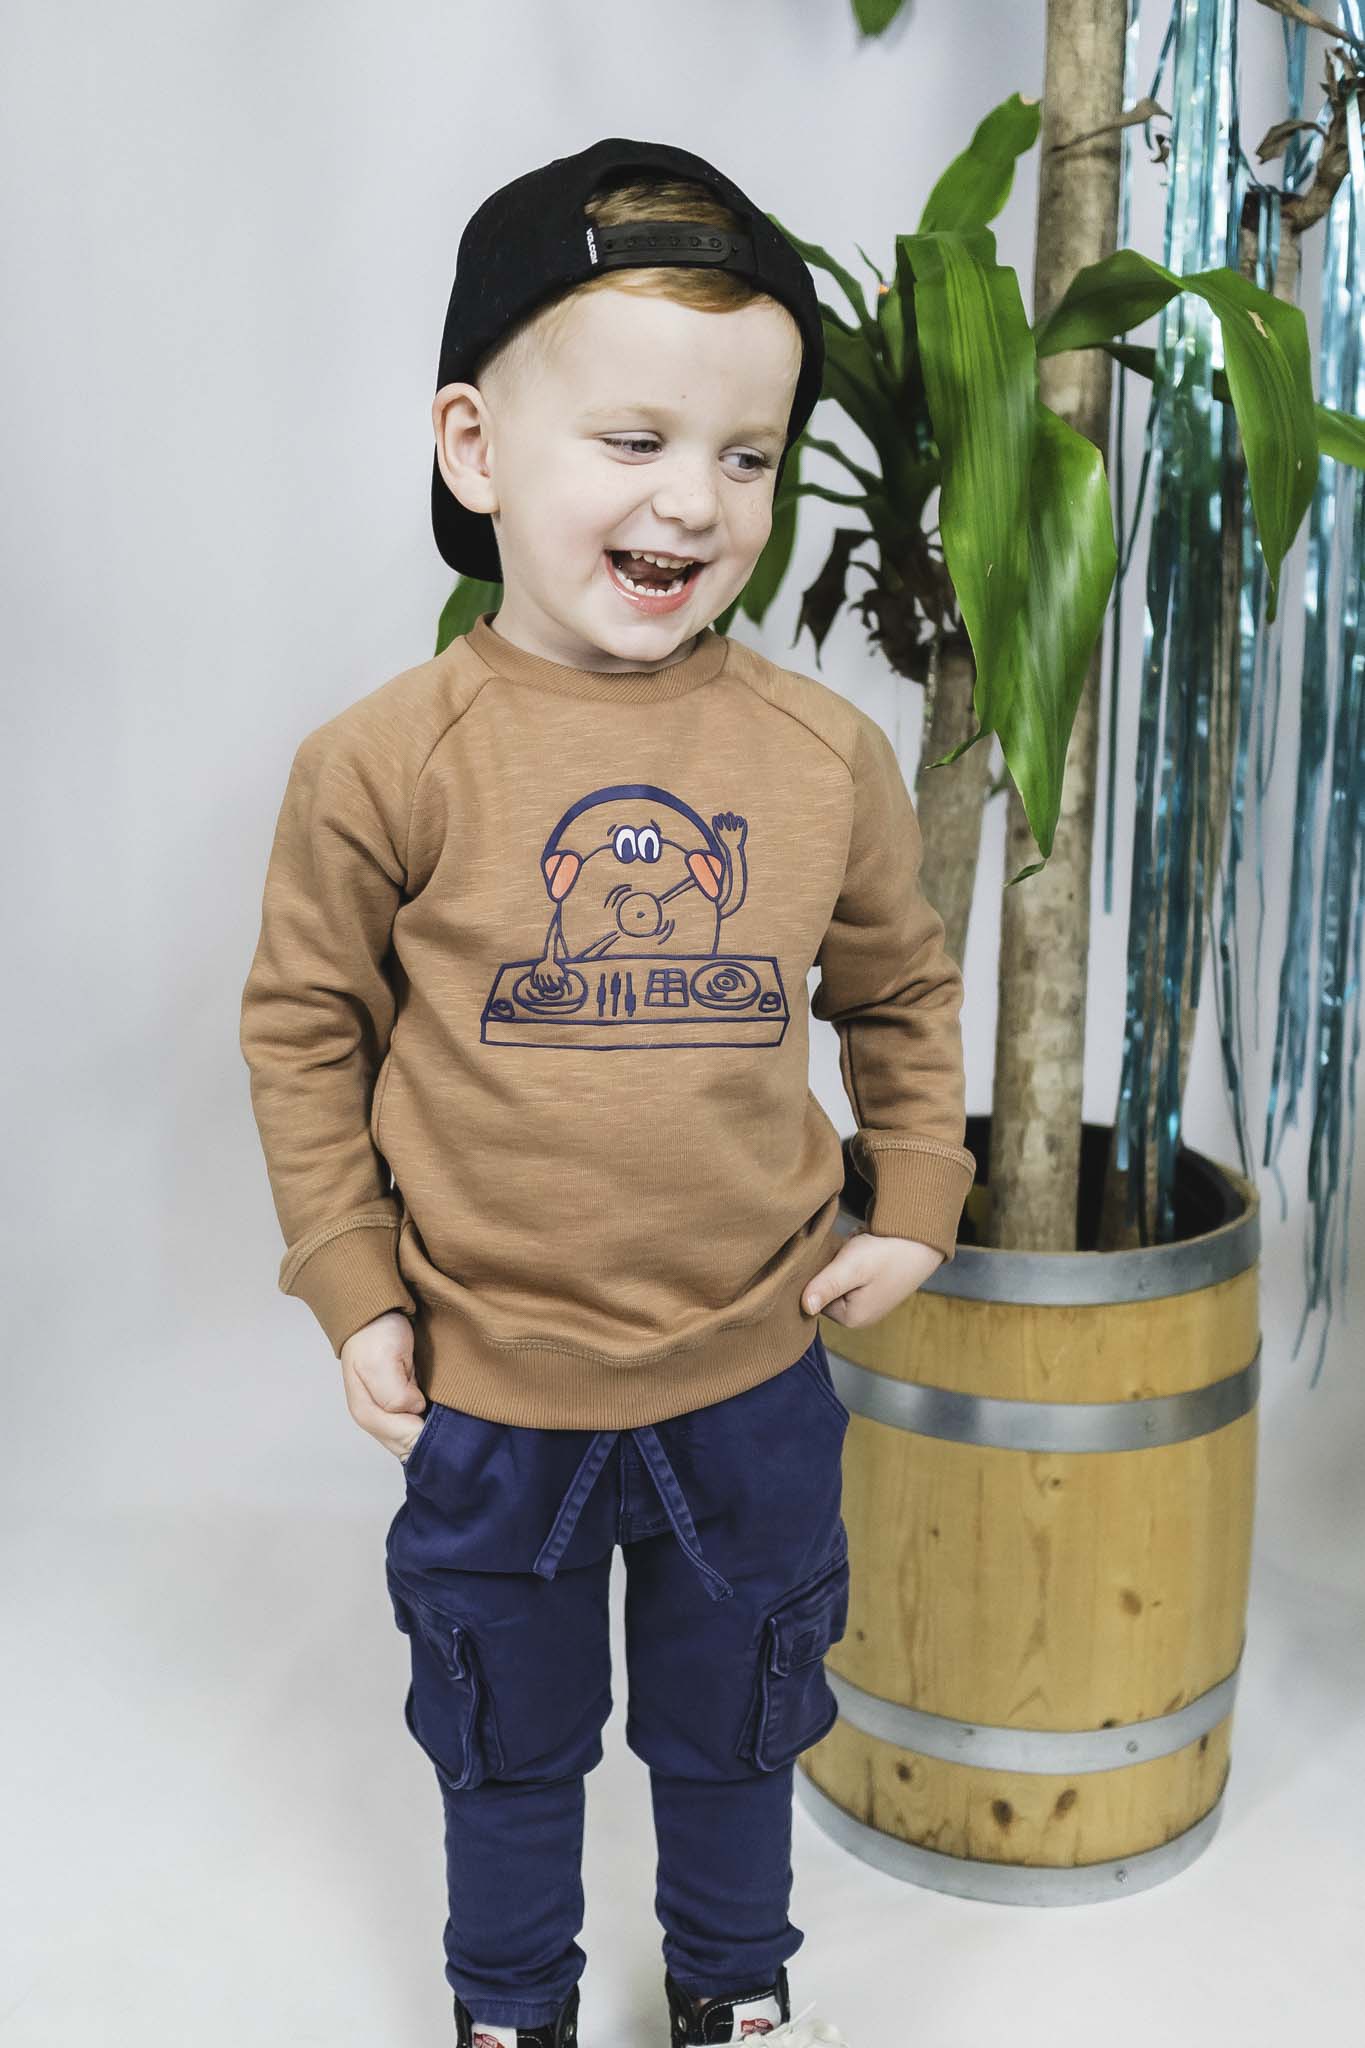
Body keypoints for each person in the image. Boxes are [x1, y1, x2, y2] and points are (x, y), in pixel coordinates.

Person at [239, 135, 976, 2048]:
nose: (693, 501)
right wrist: (351, 1282)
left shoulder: (821, 754)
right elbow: (305, 1029)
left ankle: (735, 1990)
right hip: (493, 1381)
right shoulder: (385, 761)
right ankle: (511, 2006)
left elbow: (896, 991)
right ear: (475, 448)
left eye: (746, 456)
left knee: (739, 1723)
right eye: (633, 440)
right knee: (505, 1734)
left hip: (751, 1374)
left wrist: (914, 1197)